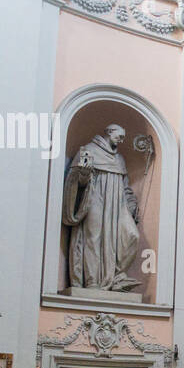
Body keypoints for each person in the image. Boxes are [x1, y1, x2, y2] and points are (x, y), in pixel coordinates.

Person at [63, 124, 142, 292]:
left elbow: (125, 186)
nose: (121, 140)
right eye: (119, 136)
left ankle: (117, 276)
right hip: (94, 198)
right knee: (93, 237)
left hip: (117, 204)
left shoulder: (119, 159)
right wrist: (83, 174)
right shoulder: (88, 151)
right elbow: (76, 182)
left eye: (123, 137)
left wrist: (132, 204)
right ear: (108, 132)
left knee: (131, 234)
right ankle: (92, 281)